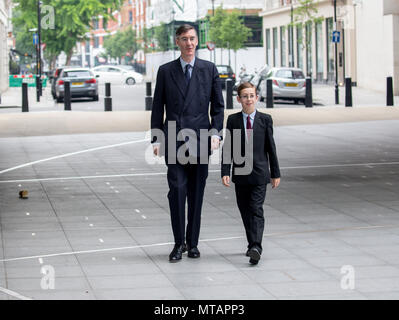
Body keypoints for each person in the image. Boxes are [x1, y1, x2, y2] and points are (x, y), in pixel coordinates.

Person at [151, 24, 224, 263]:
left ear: (197, 41)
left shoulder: (209, 69)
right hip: (174, 139)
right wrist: (156, 138)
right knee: (177, 191)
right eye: (184, 39)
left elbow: (218, 107)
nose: (189, 43)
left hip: (202, 140)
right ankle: (177, 243)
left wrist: (216, 133)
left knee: (196, 193)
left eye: (192, 38)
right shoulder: (165, 71)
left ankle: (193, 244)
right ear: (177, 42)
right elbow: (157, 107)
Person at [221, 82, 280, 265]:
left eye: (251, 95)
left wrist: (275, 173)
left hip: (260, 174)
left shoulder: (265, 120)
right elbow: (228, 147)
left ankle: (256, 246)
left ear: (257, 98)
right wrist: (225, 170)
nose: (248, 99)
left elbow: (271, 148)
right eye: (244, 96)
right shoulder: (233, 120)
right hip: (240, 174)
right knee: (245, 210)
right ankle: (251, 244)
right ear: (239, 99)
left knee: (256, 209)